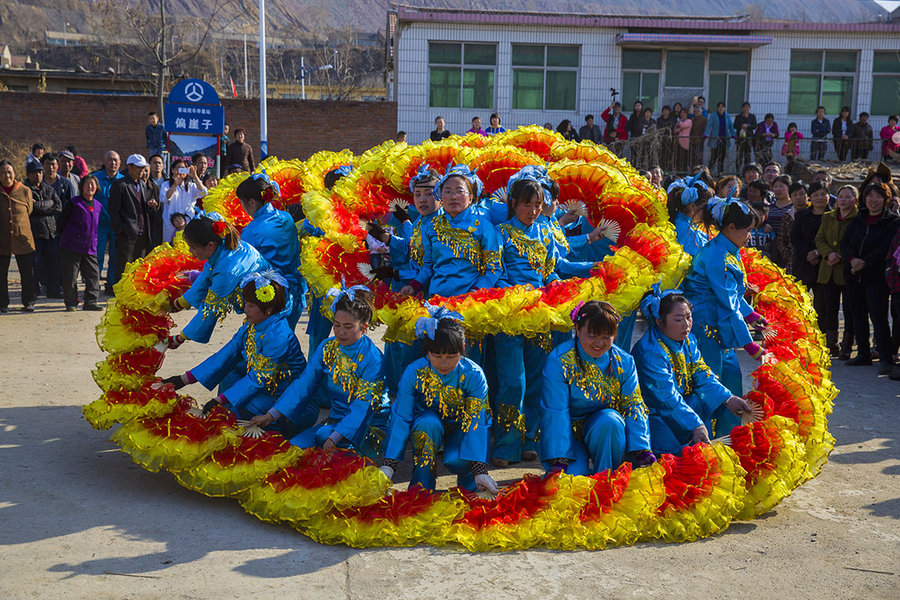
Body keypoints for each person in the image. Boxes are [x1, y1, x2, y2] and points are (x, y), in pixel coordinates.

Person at [492, 171, 596, 467]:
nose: (534, 211)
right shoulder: (500, 233)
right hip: (509, 314)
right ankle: (505, 444)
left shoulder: (545, 231)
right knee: (513, 382)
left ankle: (528, 440)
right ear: (513, 203)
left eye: (538, 204)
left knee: (537, 381)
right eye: (527, 204)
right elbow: (495, 273)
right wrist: (516, 293)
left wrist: (593, 267)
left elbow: (554, 268)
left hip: (540, 313)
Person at [250, 287, 388, 457]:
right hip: (333, 423)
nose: (340, 332)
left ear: (364, 327)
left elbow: (363, 407)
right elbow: (304, 384)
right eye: (336, 325)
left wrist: (335, 437)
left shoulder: (373, 360)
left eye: (348, 327)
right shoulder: (327, 347)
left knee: (326, 458)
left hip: (365, 427)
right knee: (290, 452)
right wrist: (271, 415)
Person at [163, 272, 308, 426]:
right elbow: (227, 353)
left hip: (283, 393)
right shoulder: (251, 325)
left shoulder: (279, 337)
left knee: (247, 409)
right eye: (246, 303)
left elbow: (259, 377)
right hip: (264, 386)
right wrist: (184, 379)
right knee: (229, 372)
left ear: (269, 309)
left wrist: (220, 399)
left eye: (251, 306)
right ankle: (227, 408)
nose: (245, 309)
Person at [381, 313, 498, 493]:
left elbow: (477, 420)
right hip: (427, 424)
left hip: (462, 426)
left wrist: (480, 470)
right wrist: (389, 465)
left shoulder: (474, 375)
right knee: (427, 425)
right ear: (427, 351)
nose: (444, 363)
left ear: (463, 348)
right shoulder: (414, 372)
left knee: (456, 459)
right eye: (437, 355)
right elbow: (401, 416)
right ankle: (422, 487)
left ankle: (471, 484)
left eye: (452, 356)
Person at [540, 301, 654, 475]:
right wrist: (559, 458)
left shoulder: (624, 362)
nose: (599, 343)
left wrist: (642, 449)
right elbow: (556, 410)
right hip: (567, 433)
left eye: (606, 336)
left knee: (610, 421)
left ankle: (606, 478)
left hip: (606, 432)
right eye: (592, 335)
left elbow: (634, 404)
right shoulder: (559, 361)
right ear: (577, 330)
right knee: (572, 483)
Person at [633, 287, 753, 452]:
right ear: (659, 320)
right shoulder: (650, 352)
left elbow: (701, 373)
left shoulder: (689, 340)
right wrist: (695, 425)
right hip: (655, 414)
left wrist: (728, 398)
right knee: (673, 462)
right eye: (678, 319)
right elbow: (666, 397)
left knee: (699, 401)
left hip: (680, 409)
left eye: (689, 317)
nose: (687, 324)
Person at [682, 194, 765, 399]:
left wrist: (753, 316)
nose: (749, 235)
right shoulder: (718, 255)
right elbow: (728, 303)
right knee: (712, 382)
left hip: (718, 321)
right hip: (706, 323)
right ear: (730, 227)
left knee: (731, 378)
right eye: (748, 230)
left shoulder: (728, 248)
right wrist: (750, 344)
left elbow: (733, 294)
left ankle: (729, 430)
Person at [401, 165, 501, 301]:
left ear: (471, 198)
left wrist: (474, 293)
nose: (453, 197)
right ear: (441, 197)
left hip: (471, 301)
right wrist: (412, 287)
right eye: (447, 192)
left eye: (459, 191)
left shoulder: (484, 227)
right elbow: (428, 267)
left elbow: (494, 269)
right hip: (436, 299)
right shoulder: (431, 227)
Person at [169, 213, 270, 347]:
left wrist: (181, 337)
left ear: (210, 245)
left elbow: (211, 308)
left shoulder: (227, 270)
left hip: (268, 312)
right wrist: (180, 303)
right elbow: (206, 274)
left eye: (193, 247)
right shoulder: (221, 246)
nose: (190, 251)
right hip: (259, 309)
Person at [840, 183, 900, 374]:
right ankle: (863, 354)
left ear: (886, 199)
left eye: (878, 196)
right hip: (853, 274)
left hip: (876, 276)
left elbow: (886, 247)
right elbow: (845, 242)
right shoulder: (858, 219)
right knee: (857, 315)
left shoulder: (892, 222)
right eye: (870, 196)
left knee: (878, 317)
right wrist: (852, 260)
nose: (873, 200)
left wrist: (864, 261)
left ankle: (885, 357)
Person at [234, 172, 303, 329]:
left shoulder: (250, 231)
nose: (242, 208)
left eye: (242, 203)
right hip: (296, 293)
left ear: (251, 202)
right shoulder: (286, 217)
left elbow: (243, 268)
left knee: (268, 347)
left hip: (270, 299)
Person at [815, 185, 858, 358]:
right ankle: (831, 343)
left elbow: (856, 241)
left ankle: (847, 344)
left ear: (855, 200)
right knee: (829, 308)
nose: (844, 200)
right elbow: (820, 238)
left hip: (848, 269)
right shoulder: (828, 217)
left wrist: (840, 255)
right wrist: (828, 254)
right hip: (828, 268)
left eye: (848, 197)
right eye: (841, 197)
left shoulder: (858, 218)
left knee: (849, 309)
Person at [57, 174, 102, 311]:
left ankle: (90, 301)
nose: (90, 187)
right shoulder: (74, 203)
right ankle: (71, 302)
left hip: (90, 247)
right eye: (87, 184)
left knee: (93, 276)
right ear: (81, 186)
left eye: (92, 184)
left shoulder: (98, 205)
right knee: (70, 276)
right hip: (72, 246)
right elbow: (61, 222)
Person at [109, 154, 153, 281]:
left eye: (143, 168)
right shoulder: (120, 184)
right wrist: (120, 230)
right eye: (139, 168)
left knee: (139, 268)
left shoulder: (142, 184)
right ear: (129, 167)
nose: (142, 171)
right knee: (123, 268)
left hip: (142, 233)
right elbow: (113, 210)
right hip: (127, 234)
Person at [0, 160, 36, 312]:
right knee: (1, 274)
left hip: (23, 237)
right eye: (2, 172)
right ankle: (2, 304)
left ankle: (28, 302)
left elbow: (29, 210)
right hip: (2, 239)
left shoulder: (24, 190)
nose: (6, 175)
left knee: (27, 272)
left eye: (9, 172)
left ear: (14, 173)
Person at [790, 181, 828, 316]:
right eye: (815, 194)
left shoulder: (833, 216)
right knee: (799, 304)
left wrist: (818, 253)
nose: (819, 198)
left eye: (823, 194)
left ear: (829, 196)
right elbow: (794, 237)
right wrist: (807, 253)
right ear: (810, 197)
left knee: (822, 307)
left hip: (824, 265)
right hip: (802, 264)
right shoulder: (801, 215)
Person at [25, 161, 62, 299]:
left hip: (50, 231)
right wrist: (47, 205)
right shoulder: (25, 189)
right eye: (35, 172)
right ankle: (34, 291)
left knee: (53, 262)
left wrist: (41, 207)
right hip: (34, 232)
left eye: (40, 172)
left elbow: (58, 206)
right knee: (34, 264)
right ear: (28, 174)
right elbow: (29, 209)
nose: (38, 175)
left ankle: (53, 289)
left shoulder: (48, 189)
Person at [91, 150, 124, 294]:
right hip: (99, 223)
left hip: (117, 224)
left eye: (116, 160)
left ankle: (111, 283)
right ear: (104, 162)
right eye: (110, 160)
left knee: (115, 254)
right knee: (97, 254)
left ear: (120, 163)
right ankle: (93, 284)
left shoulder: (123, 180)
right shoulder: (95, 179)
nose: (113, 163)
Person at [667, 173, 712, 258]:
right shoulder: (685, 230)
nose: (706, 212)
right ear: (692, 206)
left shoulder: (682, 222)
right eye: (704, 207)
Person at [160, 158, 204, 243]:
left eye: (183, 168)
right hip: (170, 225)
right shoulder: (165, 184)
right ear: (173, 169)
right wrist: (175, 184)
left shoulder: (191, 186)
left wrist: (195, 176)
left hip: (187, 224)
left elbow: (203, 193)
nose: (181, 171)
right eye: (178, 168)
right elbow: (164, 198)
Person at [767, 174, 794, 269]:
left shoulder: (794, 207)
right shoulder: (770, 207)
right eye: (775, 186)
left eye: (781, 186)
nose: (778, 189)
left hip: (788, 245)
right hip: (772, 246)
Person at [704, 102, 735, 176]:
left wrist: (733, 134)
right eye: (719, 107)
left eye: (722, 107)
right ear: (717, 108)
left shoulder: (727, 116)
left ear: (724, 108)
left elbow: (730, 126)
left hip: (724, 139)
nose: (721, 108)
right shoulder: (713, 115)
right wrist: (706, 133)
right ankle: (709, 172)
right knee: (713, 157)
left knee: (722, 157)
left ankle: (720, 172)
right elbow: (709, 125)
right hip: (715, 139)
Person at [140, 162, 163, 249]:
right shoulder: (132, 186)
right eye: (142, 171)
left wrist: (154, 205)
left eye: (146, 171)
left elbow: (159, 207)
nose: (144, 173)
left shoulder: (154, 187)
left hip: (151, 224)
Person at [733, 102, 758, 170]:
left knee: (748, 155)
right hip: (740, 138)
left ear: (749, 108)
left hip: (749, 138)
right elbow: (735, 125)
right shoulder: (738, 117)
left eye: (747, 107)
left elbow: (754, 126)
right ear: (742, 108)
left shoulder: (752, 116)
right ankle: (738, 171)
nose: (745, 109)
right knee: (739, 155)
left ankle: (747, 170)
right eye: (744, 107)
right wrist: (741, 125)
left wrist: (748, 126)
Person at [655, 105, 677, 170]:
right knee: (661, 156)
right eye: (664, 110)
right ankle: (661, 169)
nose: (666, 112)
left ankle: (668, 170)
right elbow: (658, 129)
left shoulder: (672, 119)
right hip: (661, 140)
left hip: (670, 140)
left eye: (667, 110)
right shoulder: (659, 119)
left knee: (669, 156)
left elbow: (672, 128)